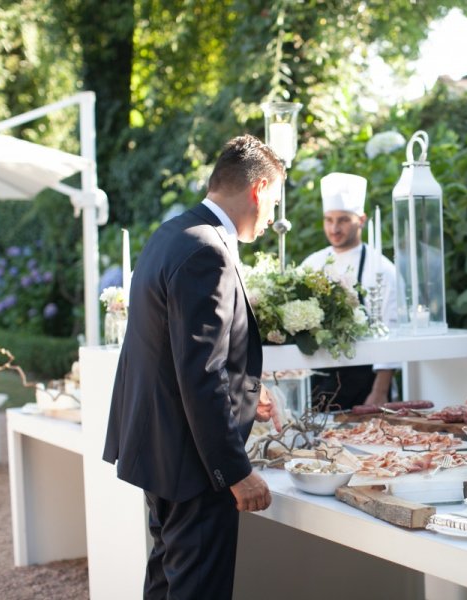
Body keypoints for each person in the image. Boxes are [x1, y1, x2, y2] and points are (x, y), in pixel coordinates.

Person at [103, 134, 285, 599]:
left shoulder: (173, 233)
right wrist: (235, 471)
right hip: (193, 465)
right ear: (259, 189)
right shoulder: (208, 250)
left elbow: (173, 348)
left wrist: (248, 387)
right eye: (275, 203)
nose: (272, 219)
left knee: (168, 583)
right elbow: (199, 373)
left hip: (160, 449)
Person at [300, 172, 398, 409]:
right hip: (318, 383)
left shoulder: (381, 268)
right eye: (328, 220)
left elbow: (391, 333)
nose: (334, 228)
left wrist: (379, 392)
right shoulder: (312, 263)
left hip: (366, 386)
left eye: (343, 220)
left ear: (361, 220)